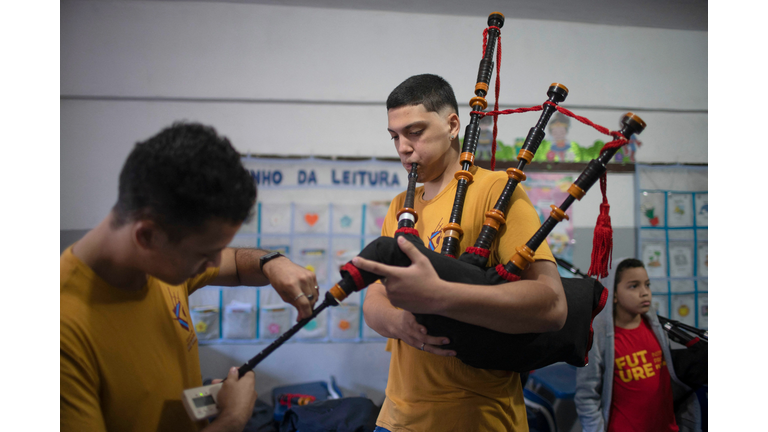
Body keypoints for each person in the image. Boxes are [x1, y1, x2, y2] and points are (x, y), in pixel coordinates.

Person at [60, 123, 320, 432]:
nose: (214, 262)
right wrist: (232, 420)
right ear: (147, 236)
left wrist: (272, 262)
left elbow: (236, 262)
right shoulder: (64, 333)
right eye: (205, 253)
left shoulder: (158, 263)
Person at [355, 74, 567, 431]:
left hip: (477, 418)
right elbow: (374, 299)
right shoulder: (399, 207)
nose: (403, 147)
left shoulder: (495, 190)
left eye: (415, 132)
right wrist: (402, 324)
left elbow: (552, 306)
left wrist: (442, 296)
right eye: (395, 136)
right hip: (396, 417)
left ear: (453, 125)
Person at [574, 258, 702, 432]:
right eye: (634, 286)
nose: (644, 292)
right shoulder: (598, 338)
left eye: (647, 285)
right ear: (614, 294)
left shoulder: (657, 330)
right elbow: (587, 397)